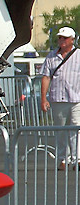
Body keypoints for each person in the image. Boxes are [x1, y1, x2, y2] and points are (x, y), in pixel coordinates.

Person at [41, 25, 80, 169]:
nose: (62, 40)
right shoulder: (51, 56)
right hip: (58, 98)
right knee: (61, 130)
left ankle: (77, 159)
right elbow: (46, 77)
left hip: (76, 98)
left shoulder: (78, 55)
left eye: (65, 38)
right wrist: (43, 98)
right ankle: (63, 159)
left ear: (72, 40)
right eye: (60, 38)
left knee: (76, 129)